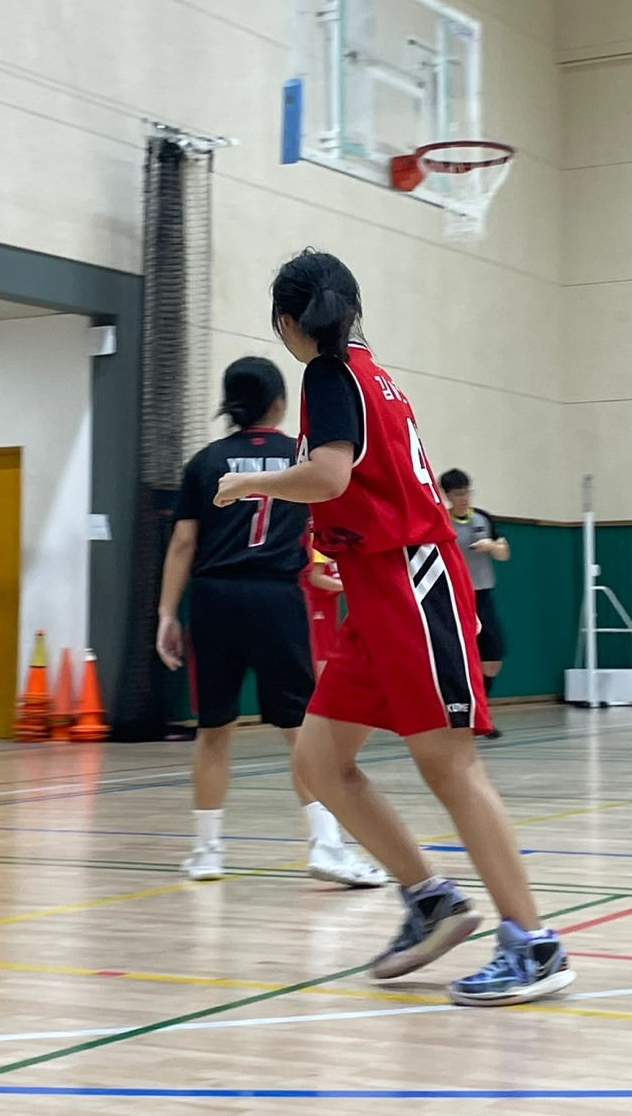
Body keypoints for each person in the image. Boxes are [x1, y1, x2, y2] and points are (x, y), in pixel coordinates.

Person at [214, 250, 574, 1007]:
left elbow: (329, 476)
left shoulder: (330, 375)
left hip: (411, 583)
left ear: (287, 321)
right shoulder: (367, 372)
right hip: (376, 588)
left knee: (451, 767)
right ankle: (431, 901)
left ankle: (533, 945)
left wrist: (251, 481)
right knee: (319, 761)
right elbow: (360, 487)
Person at [156, 355, 385, 888]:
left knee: (214, 731)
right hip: (277, 598)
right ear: (280, 403)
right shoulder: (300, 458)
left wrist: (167, 612)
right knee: (300, 731)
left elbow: (183, 542)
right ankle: (326, 845)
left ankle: (207, 853)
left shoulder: (205, 461)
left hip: (213, 600)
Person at [439, 469, 510, 740]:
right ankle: (463, 716)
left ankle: (481, 711)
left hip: (483, 596)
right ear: (447, 495)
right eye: (457, 494)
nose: (463, 498)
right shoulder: (441, 520)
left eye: (466, 492)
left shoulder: (482, 518)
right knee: (456, 659)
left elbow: (504, 552)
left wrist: (490, 545)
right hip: (453, 598)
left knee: (491, 662)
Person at [302, 546, 344, 677]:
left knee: (329, 648)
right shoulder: (317, 540)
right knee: (320, 652)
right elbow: (315, 577)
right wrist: (348, 586)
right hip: (314, 603)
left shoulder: (334, 541)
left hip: (328, 601)